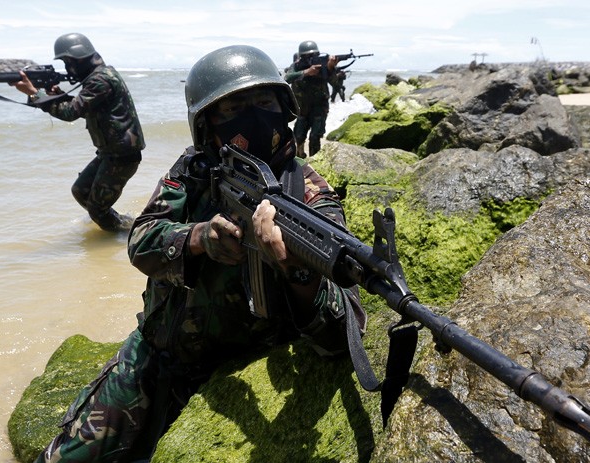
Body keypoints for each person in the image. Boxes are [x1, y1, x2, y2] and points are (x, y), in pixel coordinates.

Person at [32, 45, 365, 463]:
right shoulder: (194, 170)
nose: (254, 117)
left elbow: (343, 333)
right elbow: (141, 240)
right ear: (206, 124)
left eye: (265, 103)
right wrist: (199, 237)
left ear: (284, 109)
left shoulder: (310, 196)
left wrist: (298, 272)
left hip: (232, 368)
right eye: (234, 108)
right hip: (155, 354)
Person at [12, 33, 145, 231]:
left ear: (79, 59)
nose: (68, 68)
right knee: (80, 191)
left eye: (68, 62)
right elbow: (85, 106)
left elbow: (71, 112)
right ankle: (124, 225)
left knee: (97, 210)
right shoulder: (99, 76)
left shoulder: (100, 79)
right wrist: (58, 96)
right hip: (111, 153)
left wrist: (34, 93)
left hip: (122, 156)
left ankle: (125, 236)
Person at [283, 40, 340, 158]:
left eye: (314, 55)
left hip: (319, 108)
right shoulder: (297, 66)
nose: (311, 58)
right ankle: (300, 158)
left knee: (315, 137)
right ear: (301, 56)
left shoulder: (323, 67)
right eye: (308, 56)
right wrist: (306, 72)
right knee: (299, 136)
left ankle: (315, 161)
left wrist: (331, 68)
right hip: (302, 109)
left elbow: (335, 84)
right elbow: (287, 78)